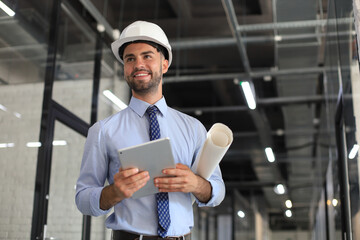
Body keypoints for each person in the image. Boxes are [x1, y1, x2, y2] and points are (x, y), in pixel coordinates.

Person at [75, 20, 225, 240]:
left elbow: (218, 191)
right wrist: (114, 192)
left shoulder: (193, 128)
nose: (138, 65)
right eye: (130, 59)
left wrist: (196, 184)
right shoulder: (103, 131)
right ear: (125, 68)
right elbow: (82, 199)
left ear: (164, 65)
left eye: (147, 56)